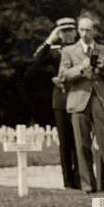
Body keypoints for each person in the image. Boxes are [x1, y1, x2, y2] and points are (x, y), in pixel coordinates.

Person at [57, 14, 104, 193]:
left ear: (94, 31)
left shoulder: (103, 50)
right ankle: (88, 185)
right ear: (78, 31)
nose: (85, 33)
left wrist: (102, 67)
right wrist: (81, 67)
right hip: (78, 99)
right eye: (82, 30)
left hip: (99, 98)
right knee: (82, 144)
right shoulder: (69, 51)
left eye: (88, 30)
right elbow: (63, 76)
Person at [29, 17, 80, 189]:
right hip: (61, 100)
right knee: (65, 142)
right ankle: (69, 182)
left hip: (79, 97)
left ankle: (81, 178)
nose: (67, 34)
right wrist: (50, 40)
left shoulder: (79, 49)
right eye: (63, 31)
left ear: (75, 31)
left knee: (80, 141)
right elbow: (35, 63)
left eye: (70, 30)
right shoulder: (53, 51)